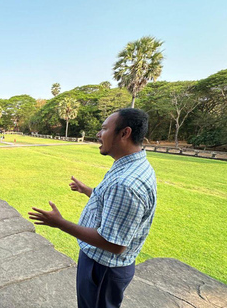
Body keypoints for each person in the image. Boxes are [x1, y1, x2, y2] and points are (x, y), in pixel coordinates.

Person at [29, 108, 157, 308]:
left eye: (104, 129)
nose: (98, 134)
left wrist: (60, 223)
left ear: (125, 133)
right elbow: (113, 203)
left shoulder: (125, 183)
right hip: (104, 265)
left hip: (103, 268)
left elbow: (114, 244)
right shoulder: (134, 165)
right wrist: (87, 190)